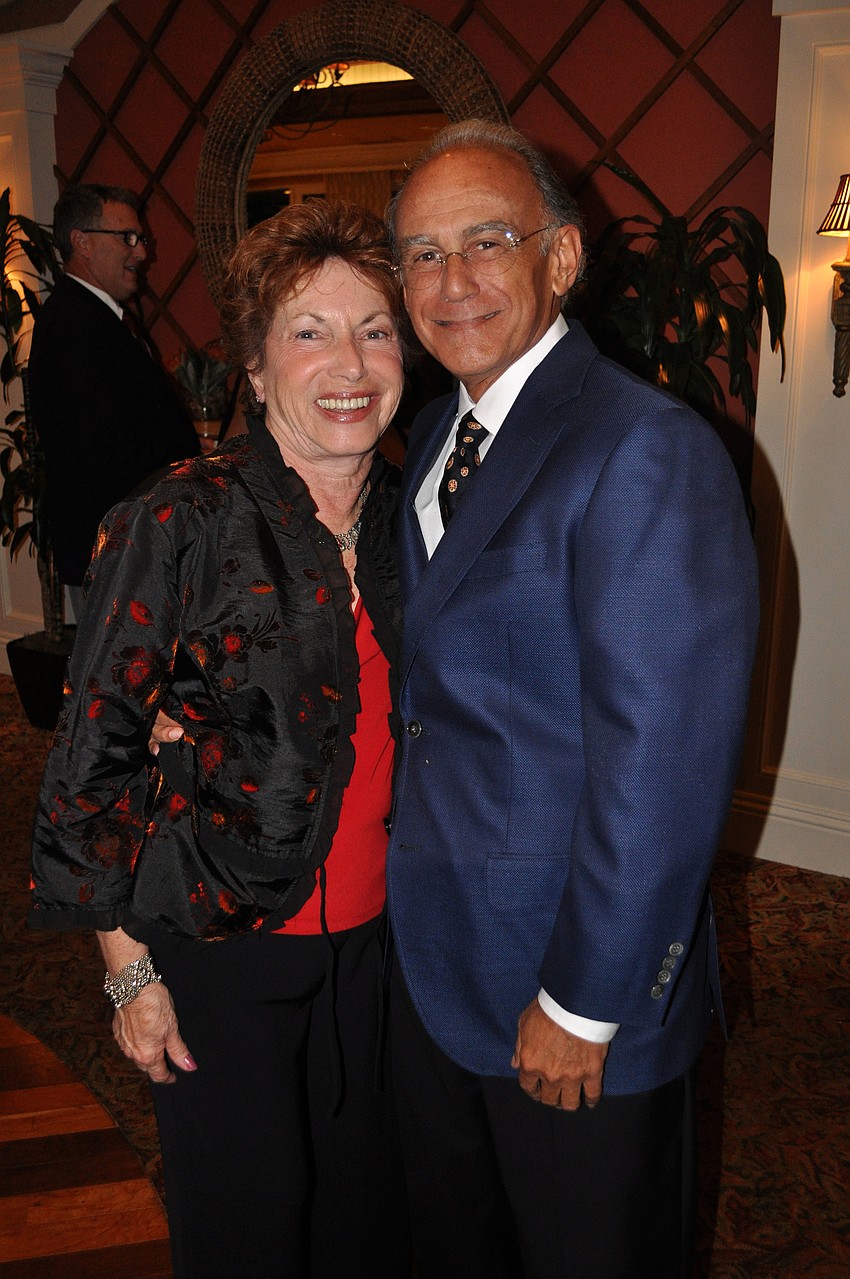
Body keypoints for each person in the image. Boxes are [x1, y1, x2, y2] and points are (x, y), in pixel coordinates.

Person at [383, 119, 760, 1279]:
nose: (450, 282)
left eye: (485, 241)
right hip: (440, 965)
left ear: (559, 258)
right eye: (420, 254)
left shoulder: (642, 448)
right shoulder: (441, 430)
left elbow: (663, 761)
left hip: (566, 988)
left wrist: (586, 1000)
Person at [29, 201, 410, 1279]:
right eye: (309, 330)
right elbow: (87, 760)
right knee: (247, 1229)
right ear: (250, 366)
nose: (349, 362)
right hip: (221, 946)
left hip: (384, 952)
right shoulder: (180, 519)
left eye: (375, 329)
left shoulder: (415, 518)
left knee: (364, 1222)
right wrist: (125, 973)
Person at [27, 183, 199, 614]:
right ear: (81, 242)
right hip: (119, 552)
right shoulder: (73, 326)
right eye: (127, 238)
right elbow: (105, 452)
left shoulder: (96, 317)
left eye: (140, 239)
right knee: (125, 677)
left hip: (132, 547)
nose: (141, 253)